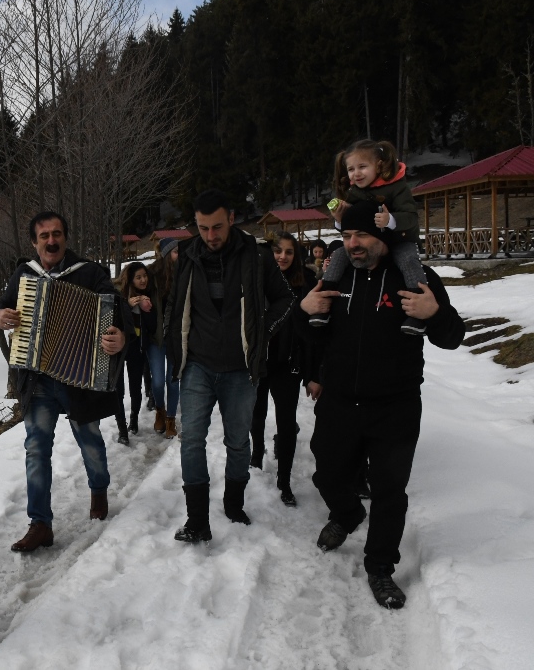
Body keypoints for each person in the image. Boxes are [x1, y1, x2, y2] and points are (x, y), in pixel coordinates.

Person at [297, 199, 464, 610]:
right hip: (340, 402)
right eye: (346, 236)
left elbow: (452, 336)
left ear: (383, 236)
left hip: (395, 406)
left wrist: (435, 313)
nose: (353, 243)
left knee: (390, 490)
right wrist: (304, 311)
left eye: (361, 235)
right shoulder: (336, 277)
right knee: (328, 474)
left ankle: (380, 567)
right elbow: (313, 335)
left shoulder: (416, 277)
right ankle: (347, 514)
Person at [0, 211, 129, 552]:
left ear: (65, 237)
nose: (51, 241)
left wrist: (120, 336)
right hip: (37, 380)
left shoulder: (90, 273)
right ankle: (40, 523)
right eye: (44, 236)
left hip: (78, 379)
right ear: (34, 242)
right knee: (36, 449)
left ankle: (99, 489)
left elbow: (118, 310)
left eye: (56, 234)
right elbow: (1, 306)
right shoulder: (24, 274)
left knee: (90, 440)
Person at [165, 190, 295, 544]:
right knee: (191, 439)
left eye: (217, 227)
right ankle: (197, 520)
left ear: (232, 219)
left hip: (240, 368)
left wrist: (262, 331)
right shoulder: (187, 255)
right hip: (198, 364)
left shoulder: (257, 255)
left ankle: (234, 504)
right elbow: (175, 304)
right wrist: (172, 343)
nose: (210, 235)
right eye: (203, 228)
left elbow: (285, 298)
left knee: (238, 442)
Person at [312, 139, 427, 336]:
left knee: (408, 260)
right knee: (338, 255)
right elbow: (352, 227)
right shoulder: (353, 192)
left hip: (400, 240)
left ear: (379, 166)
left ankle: (418, 310)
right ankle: (324, 299)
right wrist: (340, 219)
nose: (356, 173)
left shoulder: (397, 186)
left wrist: (391, 219)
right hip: (370, 246)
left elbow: (411, 217)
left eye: (362, 167)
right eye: (351, 169)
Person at [250, 232, 321, 507]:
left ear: (296, 255)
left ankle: (284, 480)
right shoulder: (257, 279)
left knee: (286, 422)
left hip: (288, 362)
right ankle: (257, 455)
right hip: (259, 361)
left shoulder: (305, 283)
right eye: (277, 251)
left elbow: (313, 334)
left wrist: (313, 373)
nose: (282, 256)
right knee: (256, 414)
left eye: (289, 252)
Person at [113, 261, 156, 443]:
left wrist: (148, 310)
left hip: (137, 347)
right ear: (130, 279)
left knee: (135, 388)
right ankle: (122, 430)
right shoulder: (118, 295)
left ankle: (134, 420)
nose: (143, 280)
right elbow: (112, 320)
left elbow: (152, 327)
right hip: (118, 349)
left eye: (144, 276)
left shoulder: (148, 295)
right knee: (118, 391)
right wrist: (127, 306)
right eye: (138, 277)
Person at [146, 237, 181, 438]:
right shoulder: (151, 274)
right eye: (176, 252)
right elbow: (132, 287)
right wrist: (138, 300)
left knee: (173, 380)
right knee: (158, 381)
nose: (179, 256)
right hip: (156, 337)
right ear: (167, 254)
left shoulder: (184, 274)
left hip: (176, 336)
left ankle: (171, 419)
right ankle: (159, 409)